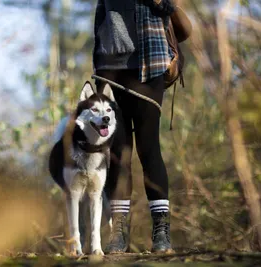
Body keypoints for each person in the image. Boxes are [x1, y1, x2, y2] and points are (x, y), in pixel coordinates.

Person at [92, 0, 176, 253]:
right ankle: (118, 231)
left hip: (150, 63)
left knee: (149, 149)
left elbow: (168, 10)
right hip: (110, 68)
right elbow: (99, 19)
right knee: (117, 153)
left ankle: (161, 232)